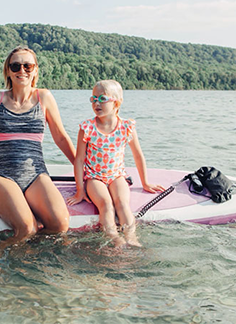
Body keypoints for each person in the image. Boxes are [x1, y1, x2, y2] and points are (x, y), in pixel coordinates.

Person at [0, 47, 76, 241]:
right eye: (15, 66)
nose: (21, 70)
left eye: (27, 65)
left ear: (35, 70)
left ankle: (31, 259)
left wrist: (83, 169)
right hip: (2, 175)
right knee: (27, 229)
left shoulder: (44, 97)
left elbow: (61, 137)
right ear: (8, 71)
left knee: (60, 224)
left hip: (36, 175)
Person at [67, 80, 164, 247]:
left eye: (102, 99)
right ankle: (114, 238)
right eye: (93, 99)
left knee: (122, 203)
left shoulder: (126, 127)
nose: (96, 103)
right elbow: (79, 160)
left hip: (117, 175)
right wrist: (79, 191)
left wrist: (145, 183)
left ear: (116, 102)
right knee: (106, 204)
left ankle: (132, 238)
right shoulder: (87, 127)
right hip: (94, 177)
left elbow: (138, 155)